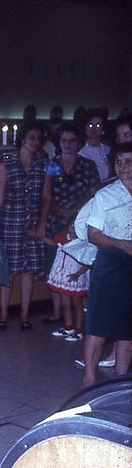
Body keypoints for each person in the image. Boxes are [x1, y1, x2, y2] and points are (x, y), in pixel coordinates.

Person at [77, 142, 132, 388]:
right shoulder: (105, 195)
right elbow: (93, 233)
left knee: (127, 326)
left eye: (129, 161)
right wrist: (120, 244)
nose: (123, 167)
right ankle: (89, 378)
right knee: (98, 323)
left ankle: (119, 381)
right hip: (110, 262)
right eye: (119, 162)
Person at [0, 121, 52, 330]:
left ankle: (25, 315)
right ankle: (3, 315)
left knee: (29, 271)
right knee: (8, 270)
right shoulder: (6, 163)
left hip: (33, 222)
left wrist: (42, 223)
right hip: (10, 222)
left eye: (39, 138)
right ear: (23, 139)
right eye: (32, 137)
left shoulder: (44, 164)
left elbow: (46, 197)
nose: (36, 142)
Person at [42, 121, 100, 323]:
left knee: (79, 265)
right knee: (56, 266)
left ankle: (81, 311)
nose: (67, 144)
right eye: (64, 140)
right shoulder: (52, 165)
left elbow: (95, 195)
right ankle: (58, 311)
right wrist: (62, 211)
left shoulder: (87, 165)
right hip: (56, 220)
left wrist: (76, 213)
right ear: (59, 142)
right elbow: (46, 195)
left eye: (72, 140)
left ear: (78, 142)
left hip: (81, 222)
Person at [46, 219, 90, 342]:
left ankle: (78, 329)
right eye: (71, 226)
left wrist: (78, 273)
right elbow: (53, 243)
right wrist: (41, 237)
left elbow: (88, 261)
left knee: (77, 304)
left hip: (75, 276)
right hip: (63, 275)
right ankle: (68, 326)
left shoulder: (83, 242)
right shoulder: (62, 236)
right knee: (65, 303)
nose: (73, 230)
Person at [78, 108, 112, 182]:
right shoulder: (78, 151)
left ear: (103, 129)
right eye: (90, 125)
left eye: (98, 125)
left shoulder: (108, 150)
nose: (93, 129)